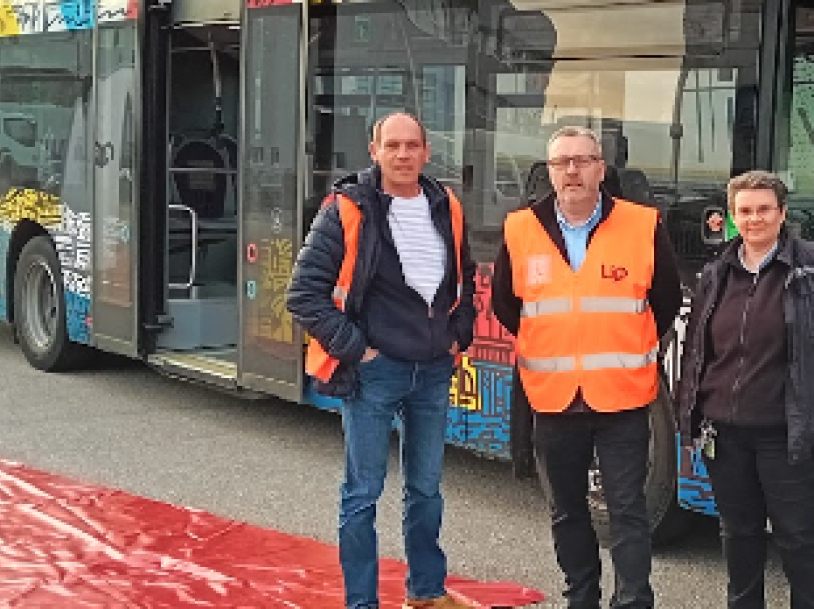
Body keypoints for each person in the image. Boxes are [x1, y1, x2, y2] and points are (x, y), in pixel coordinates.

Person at [287, 112, 475, 609]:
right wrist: (358, 350)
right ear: (374, 151)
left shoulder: (445, 204)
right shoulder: (346, 208)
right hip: (374, 373)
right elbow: (304, 294)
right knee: (363, 493)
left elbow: (465, 276)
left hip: (433, 370)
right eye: (392, 145)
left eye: (412, 145)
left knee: (427, 491)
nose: (403, 154)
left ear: (427, 151)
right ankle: (362, 603)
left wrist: (460, 334)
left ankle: (428, 593)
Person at [490, 126, 683, 609]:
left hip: (623, 397)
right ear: (549, 172)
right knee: (567, 511)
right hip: (553, 398)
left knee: (628, 510)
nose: (572, 171)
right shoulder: (520, 229)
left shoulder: (642, 225)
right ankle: (581, 596)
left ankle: (633, 600)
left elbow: (664, 303)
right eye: (562, 163)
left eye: (583, 160)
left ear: (602, 168)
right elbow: (505, 306)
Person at [674, 170, 814, 609]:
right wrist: (689, 410)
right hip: (724, 435)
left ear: (782, 214)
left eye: (764, 209)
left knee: (798, 539)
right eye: (744, 211)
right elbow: (695, 349)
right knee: (738, 535)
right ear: (731, 217)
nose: (754, 220)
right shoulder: (715, 274)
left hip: (787, 435)